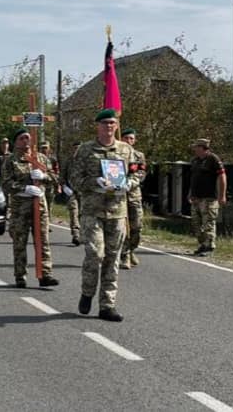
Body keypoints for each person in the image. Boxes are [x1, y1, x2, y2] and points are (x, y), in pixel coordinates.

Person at [70, 109, 136, 322]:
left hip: (117, 211)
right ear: (97, 126)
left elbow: (139, 171)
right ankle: (87, 292)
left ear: (116, 126)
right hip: (92, 210)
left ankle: (107, 305)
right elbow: (74, 178)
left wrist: (129, 183)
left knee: (112, 258)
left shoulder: (126, 150)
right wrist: (93, 183)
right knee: (95, 254)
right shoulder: (86, 150)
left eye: (112, 123)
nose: (109, 126)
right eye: (105, 123)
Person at [0, 129, 59, 289]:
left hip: (40, 206)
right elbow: (5, 183)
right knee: (20, 242)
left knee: (43, 241)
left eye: (28, 138)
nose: (26, 141)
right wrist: (24, 188)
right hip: (20, 209)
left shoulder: (41, 158)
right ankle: (20, 276)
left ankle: (45, 274)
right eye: (22, 138)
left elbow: (55, 178)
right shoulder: (11, 161)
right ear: (16, 142)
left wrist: (44, 176)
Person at [189, 138, 227, 256]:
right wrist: (190, 193)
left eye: (196, 147)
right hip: (196, 197)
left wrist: (222, 195)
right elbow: (193, 178)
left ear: (202, 148)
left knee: (208, 223)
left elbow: (222, 177)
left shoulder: (213, 159)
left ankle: (209, 246)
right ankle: (202, 244)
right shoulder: (195, 160)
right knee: (196, 223)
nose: (194, 149)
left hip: (209, 198)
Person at [120, 129, 148, 269]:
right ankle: (124, 255)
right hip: (118, 196)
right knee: (123, 227)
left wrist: (130, 183)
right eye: (126, 138)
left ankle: (131, 249)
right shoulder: (116, 154)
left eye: (131, 138)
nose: (129, 141)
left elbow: (141, 173)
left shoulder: (139, 155)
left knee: (137, 226)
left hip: (134, 195)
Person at [61, 141, 82, 246]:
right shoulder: (68, 161)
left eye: (78, 148)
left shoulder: (85, 161)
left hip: (84, 191)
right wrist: (64, 186)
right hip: (71, 191)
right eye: (75, 148)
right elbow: (62, 175)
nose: (76, 150)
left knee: (83, 213)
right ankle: (76, 234)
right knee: (74, 211)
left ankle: (84, 234)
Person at [38, 141, 60, 224]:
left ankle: (47, 222)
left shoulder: (53, 159)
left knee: (49, 205)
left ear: (49, 148)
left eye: (45, 148)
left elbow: (57, 172)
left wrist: (57, 185)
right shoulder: (37, 158)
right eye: (42, 148)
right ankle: (39, 222)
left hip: (50, 185)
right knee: (40, 205)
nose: (44, 150)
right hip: (40, 185)